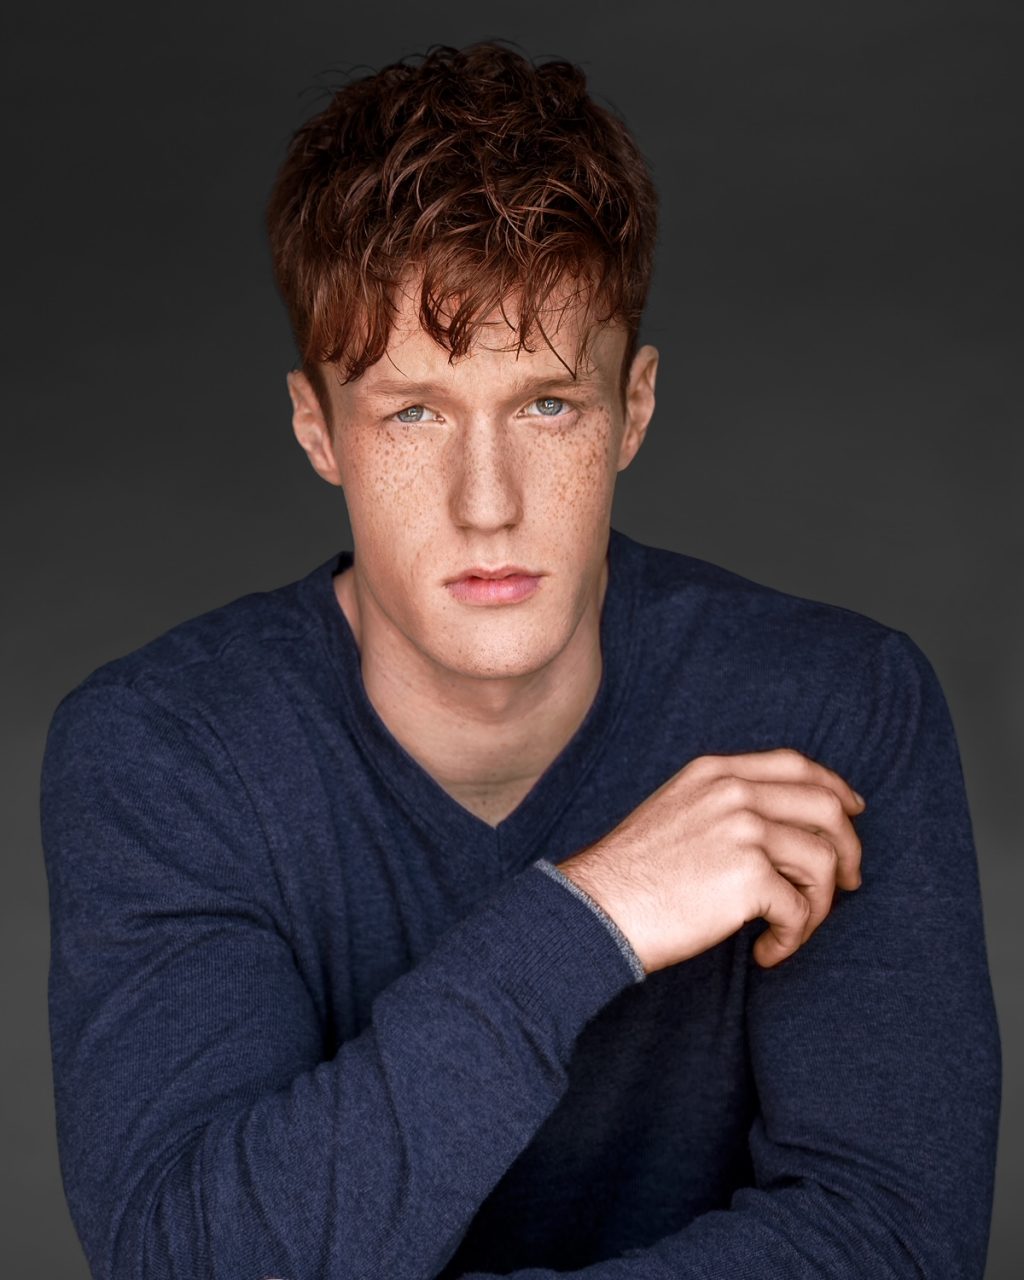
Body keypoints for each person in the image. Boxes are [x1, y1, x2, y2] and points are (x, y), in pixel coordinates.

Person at [40, 41, 1000, 1280]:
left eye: (547, 405)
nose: (485, 502)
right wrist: (591, 917)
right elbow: (194, 1257)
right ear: (317, 431)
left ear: (632, 410)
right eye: (413, 412)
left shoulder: (833, 711)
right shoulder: (164, 752)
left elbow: (892, 1241)